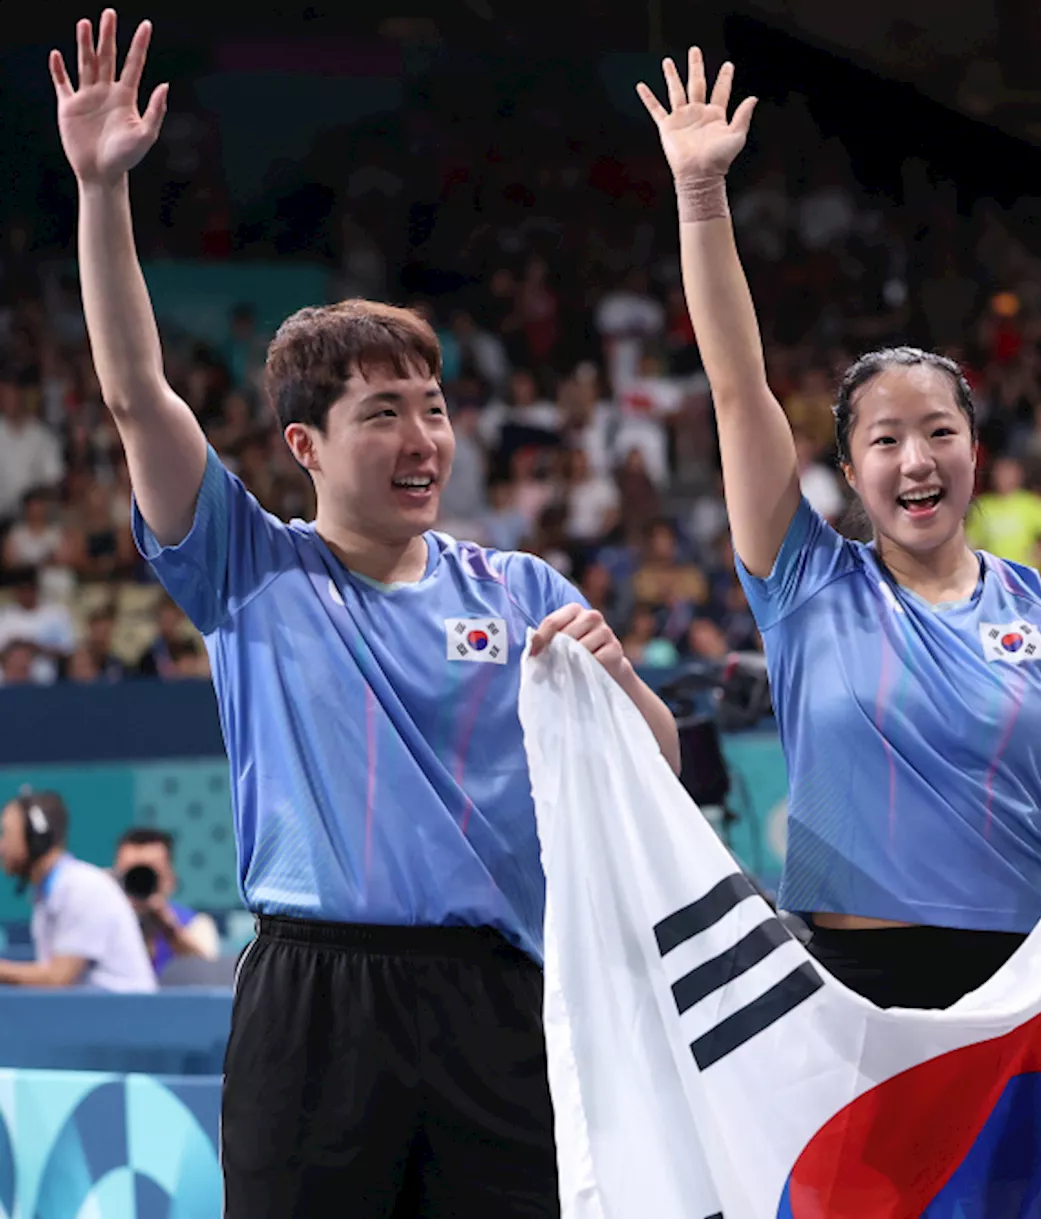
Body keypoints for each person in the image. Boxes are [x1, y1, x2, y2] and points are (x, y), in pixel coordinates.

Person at [52, 13, 678, 1218]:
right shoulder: (246, 568)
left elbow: (653, 770)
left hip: (498, 999)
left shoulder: (524, 592)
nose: (422, 439)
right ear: (306, 443)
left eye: (433, 409)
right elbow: (136, 394)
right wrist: (101, 190)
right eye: (383, 412)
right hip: (312, 1000)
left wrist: (632, 686)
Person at [637, 48, 1041, 1010]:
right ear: (850, 470)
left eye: (941, 432)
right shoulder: (806, 578)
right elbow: (737, 390)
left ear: (975, 451)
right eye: (886, 439)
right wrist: (699, 196)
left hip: (1021, 987)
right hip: (849, 992)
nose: (917, 459)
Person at [0, 790, 156, 992]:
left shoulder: (81, 887)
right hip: (95, 1017)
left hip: (130, 1018)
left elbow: (58, 979)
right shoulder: (51, 892)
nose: (1, 846)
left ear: (36, 838)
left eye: (6, 833)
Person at [114, 827, 220, 975]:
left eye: (149, 875)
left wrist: (170, 928)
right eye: (132, 875)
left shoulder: (195, 924)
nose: (140, 883)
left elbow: (208, 976)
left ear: (170, 880)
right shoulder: (100, 923)